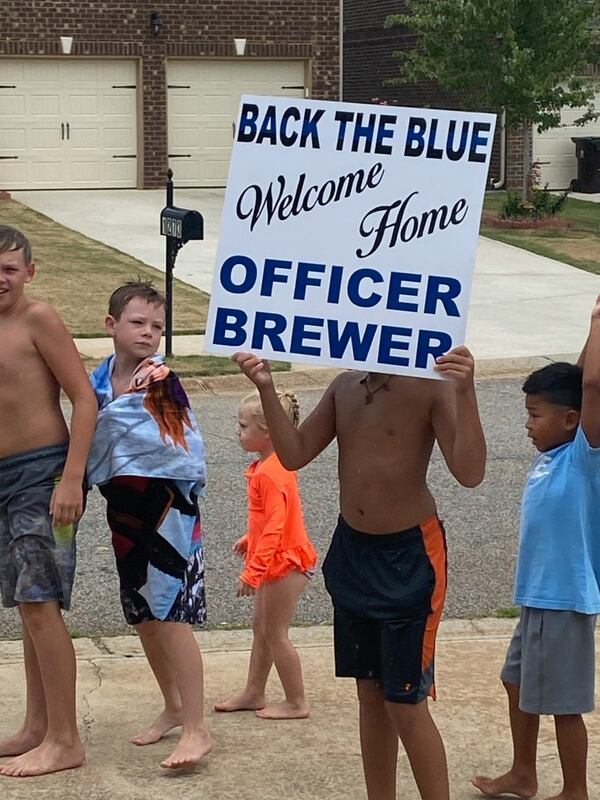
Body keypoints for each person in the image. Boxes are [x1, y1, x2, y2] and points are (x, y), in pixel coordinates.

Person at [233, 346, 486, 800]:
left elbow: (470, 472)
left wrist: (465, 390)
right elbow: (294, 453)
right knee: (369, 695)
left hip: (409, 556)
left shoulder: (429, 386)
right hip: (353, 550)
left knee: (405, 700)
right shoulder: (346, 386)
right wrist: (265, 387)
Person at [473, 298, 600, 800]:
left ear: (573, 420)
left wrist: (596, 320)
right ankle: (524, 773)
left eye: (534, 414)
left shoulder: (585, 456)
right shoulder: (554, 453)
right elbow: (579, 376)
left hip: (564, 599)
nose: (527, 424)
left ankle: (575, 790)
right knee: (516, 682)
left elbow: (590, 385)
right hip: (537, 597)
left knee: (564, 704)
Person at [86, 281, 212, 769]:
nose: (149, 333)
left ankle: (198, 729)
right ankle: (174, 706)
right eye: (138, 323)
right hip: (123, 509)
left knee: (171, 614)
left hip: (167, 511)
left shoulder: (160, 379)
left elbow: (185, 451)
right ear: (111, 325)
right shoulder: (100, 379)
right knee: (143, 614)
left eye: (158, 326)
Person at [0, 225, 97, 778]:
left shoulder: (39, 320)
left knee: (41, 602)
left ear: (30, 273)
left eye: (10, 269)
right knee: (25, 603)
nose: (1, 278)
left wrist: (72, 478)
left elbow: (84, 399)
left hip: (43, 474)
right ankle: (36, 727)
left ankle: (66, 739)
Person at [214, 390, 317, 720]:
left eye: (244, 426)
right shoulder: (270, 466)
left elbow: (275, 527)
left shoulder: (271, 473)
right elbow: (274, 520)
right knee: (262, 628)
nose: (238, 432)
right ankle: (254, 692)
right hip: (278, 556)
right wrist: (250, 539)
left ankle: (296, 701)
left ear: (269, 429)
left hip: (284, 563)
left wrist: (252, 571)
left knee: (275, 633)